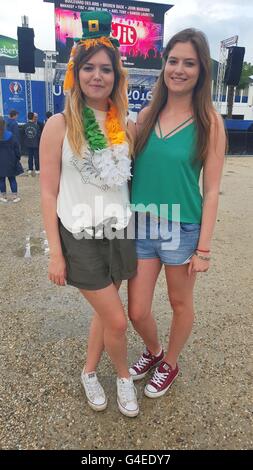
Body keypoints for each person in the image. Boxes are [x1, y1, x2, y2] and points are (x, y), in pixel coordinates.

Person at [40, 11, 139, 417]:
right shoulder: (59, 125)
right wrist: (55, 253)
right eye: (89, 68)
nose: (97, 76)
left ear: (116, 76)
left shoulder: (127, 126)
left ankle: (88, 371)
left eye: (106, 70)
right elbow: (47, 192)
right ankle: (123, 378)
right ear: (75, 73)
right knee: (117, 320)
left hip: (119, 232)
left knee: (106, 311)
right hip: (78, 237)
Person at [128, 28, 226, 398]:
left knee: (180, 302)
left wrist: (204, 249)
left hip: (181, 226)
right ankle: (154, 352)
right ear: (163, 65)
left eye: (190, 63)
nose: (179, 69)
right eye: (173, 61)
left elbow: (212, 189)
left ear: (201, 71)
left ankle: (171, 361)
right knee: (137, 311)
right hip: (140, 223)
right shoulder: (145, 115)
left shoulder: (209, 123)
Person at [0, 115, 23, 203]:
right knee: (12, 178)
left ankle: (3, 196)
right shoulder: (10, 135)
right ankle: (14, 196)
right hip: (11, 160)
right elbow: (17, 148)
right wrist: (18, 157)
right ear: (4, 124)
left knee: (1, 179)